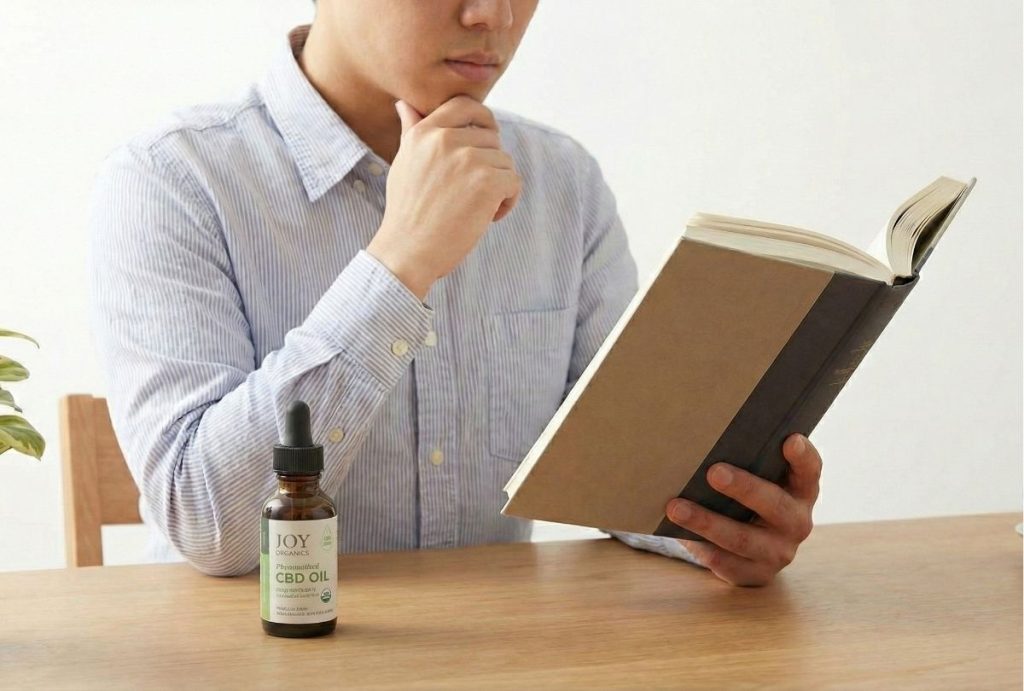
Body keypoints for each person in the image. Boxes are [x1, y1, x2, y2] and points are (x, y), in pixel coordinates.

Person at [89, 0, 822, 587]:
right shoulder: (174, 180)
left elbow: (622, 472)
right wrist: (401, 261)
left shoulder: (563, 183)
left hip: (493, 654)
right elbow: (208, 526)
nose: (493, 15)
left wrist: (721, 529)